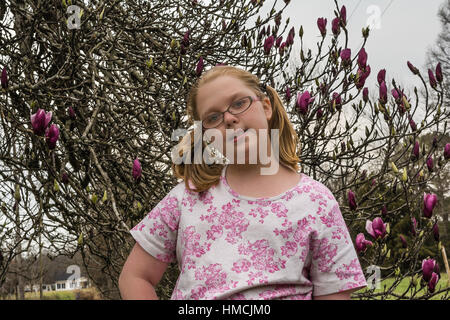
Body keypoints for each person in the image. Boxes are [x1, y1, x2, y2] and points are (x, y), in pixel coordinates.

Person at [118, 65, 368, 300]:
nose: (228, 119)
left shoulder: (316, 201)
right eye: (213, 117)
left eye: (239, 103)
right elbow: (135, 276)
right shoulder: (187, 197)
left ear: (266, 106)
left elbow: (335, 291)